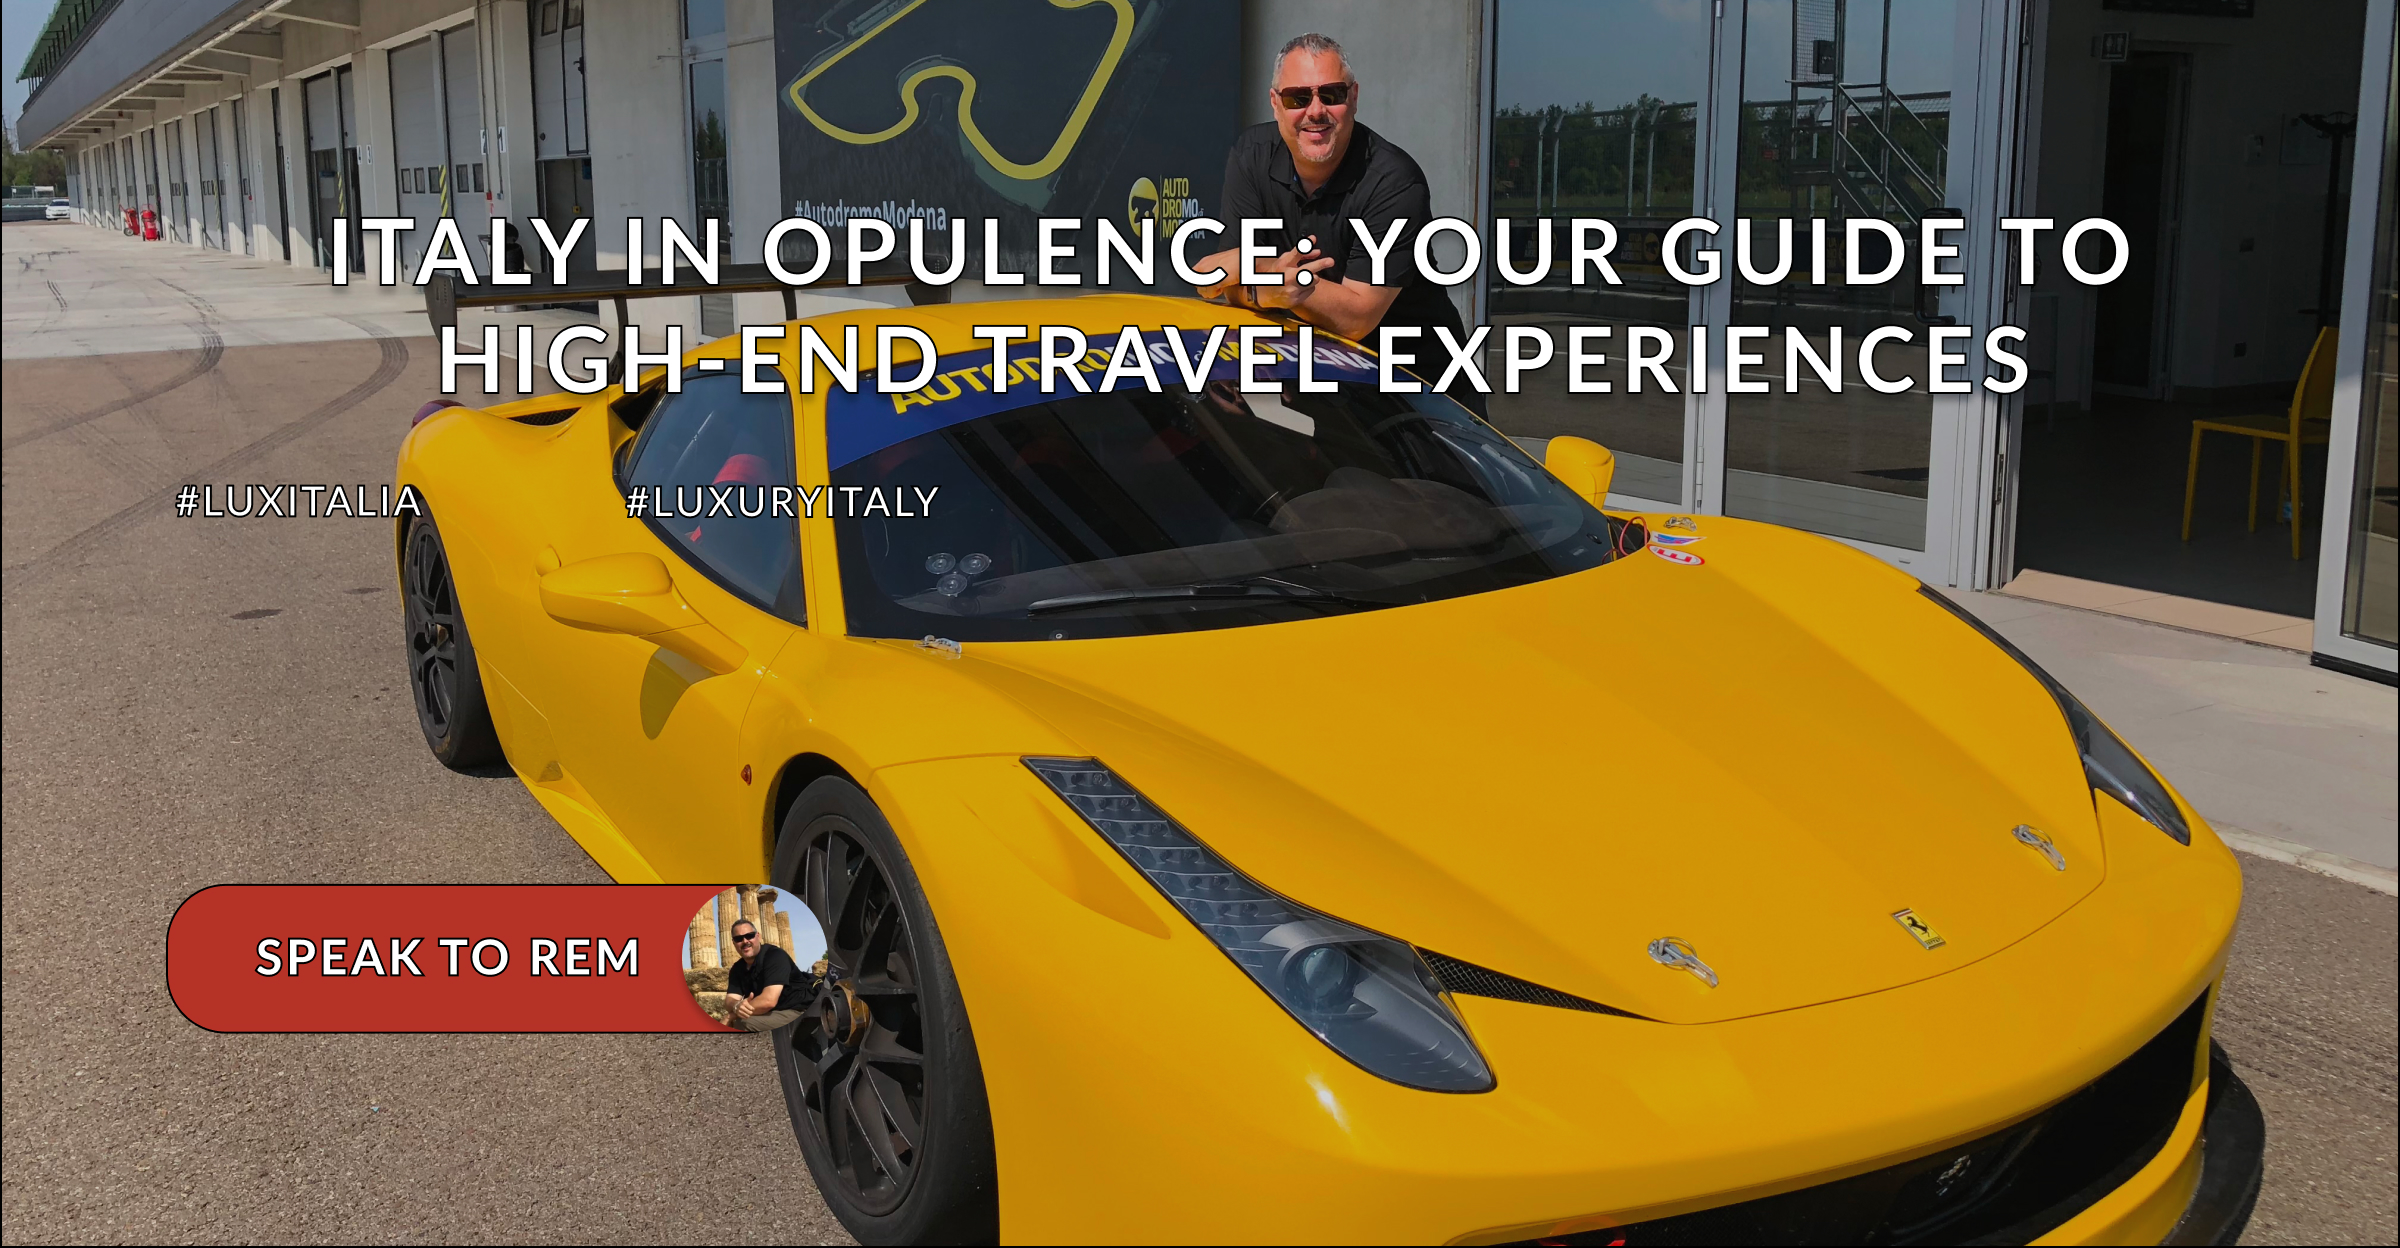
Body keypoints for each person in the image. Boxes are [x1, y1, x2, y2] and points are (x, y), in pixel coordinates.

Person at [1197, 32, 1484, 415]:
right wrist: (1267, 282)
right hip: (1321, 387)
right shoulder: (1251, 155)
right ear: (1275, 104)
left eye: (1330, 94)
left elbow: (1355, 318)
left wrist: (1263, 282)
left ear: (1353, 97)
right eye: (1298, 98)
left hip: (1420, 399)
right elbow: (1209, 279)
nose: (1315, 111)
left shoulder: (1395, 182)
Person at [722, 920, 806, 1032]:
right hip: (772, 1011)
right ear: (733, 943)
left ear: (758, 936)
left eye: (749, 936)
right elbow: (729, 1000)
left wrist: (732, 1015)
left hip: (796, 1009)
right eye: (738, 939)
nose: (745, 941)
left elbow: (768, 1001)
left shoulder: (775, 956)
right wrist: (736, 1005)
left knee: (744, 1024)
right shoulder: (737, 968)